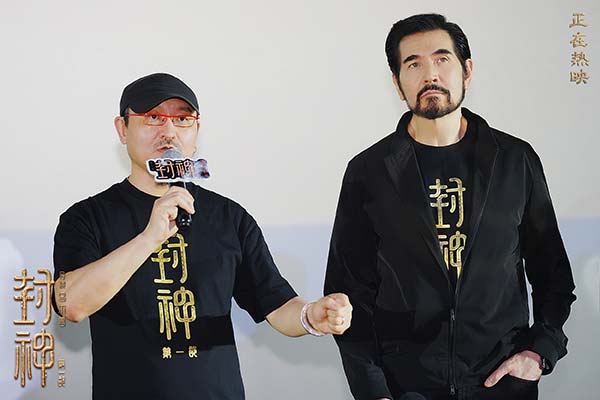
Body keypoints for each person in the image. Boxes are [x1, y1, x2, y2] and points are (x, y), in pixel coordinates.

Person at [52, 72, 352, 400]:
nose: (169, 132)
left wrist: (312, 316)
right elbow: (70, 304)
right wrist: (149, 238)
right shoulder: (87, 217)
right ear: (122, 129)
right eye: (153, 117)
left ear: (196, 132)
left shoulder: (230, 217)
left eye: (183, 119)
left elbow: (277, 306)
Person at [324, 13, 575, 400]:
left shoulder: (514, 160)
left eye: (442, 59)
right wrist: (375, 391)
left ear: (467, 71)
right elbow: (348, 293)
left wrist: (539, 352)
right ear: (397, 83)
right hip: (406, 387)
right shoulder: (369, 171)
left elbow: (552, 273)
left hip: (501, 383)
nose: (430, 75)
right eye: (413, 64)